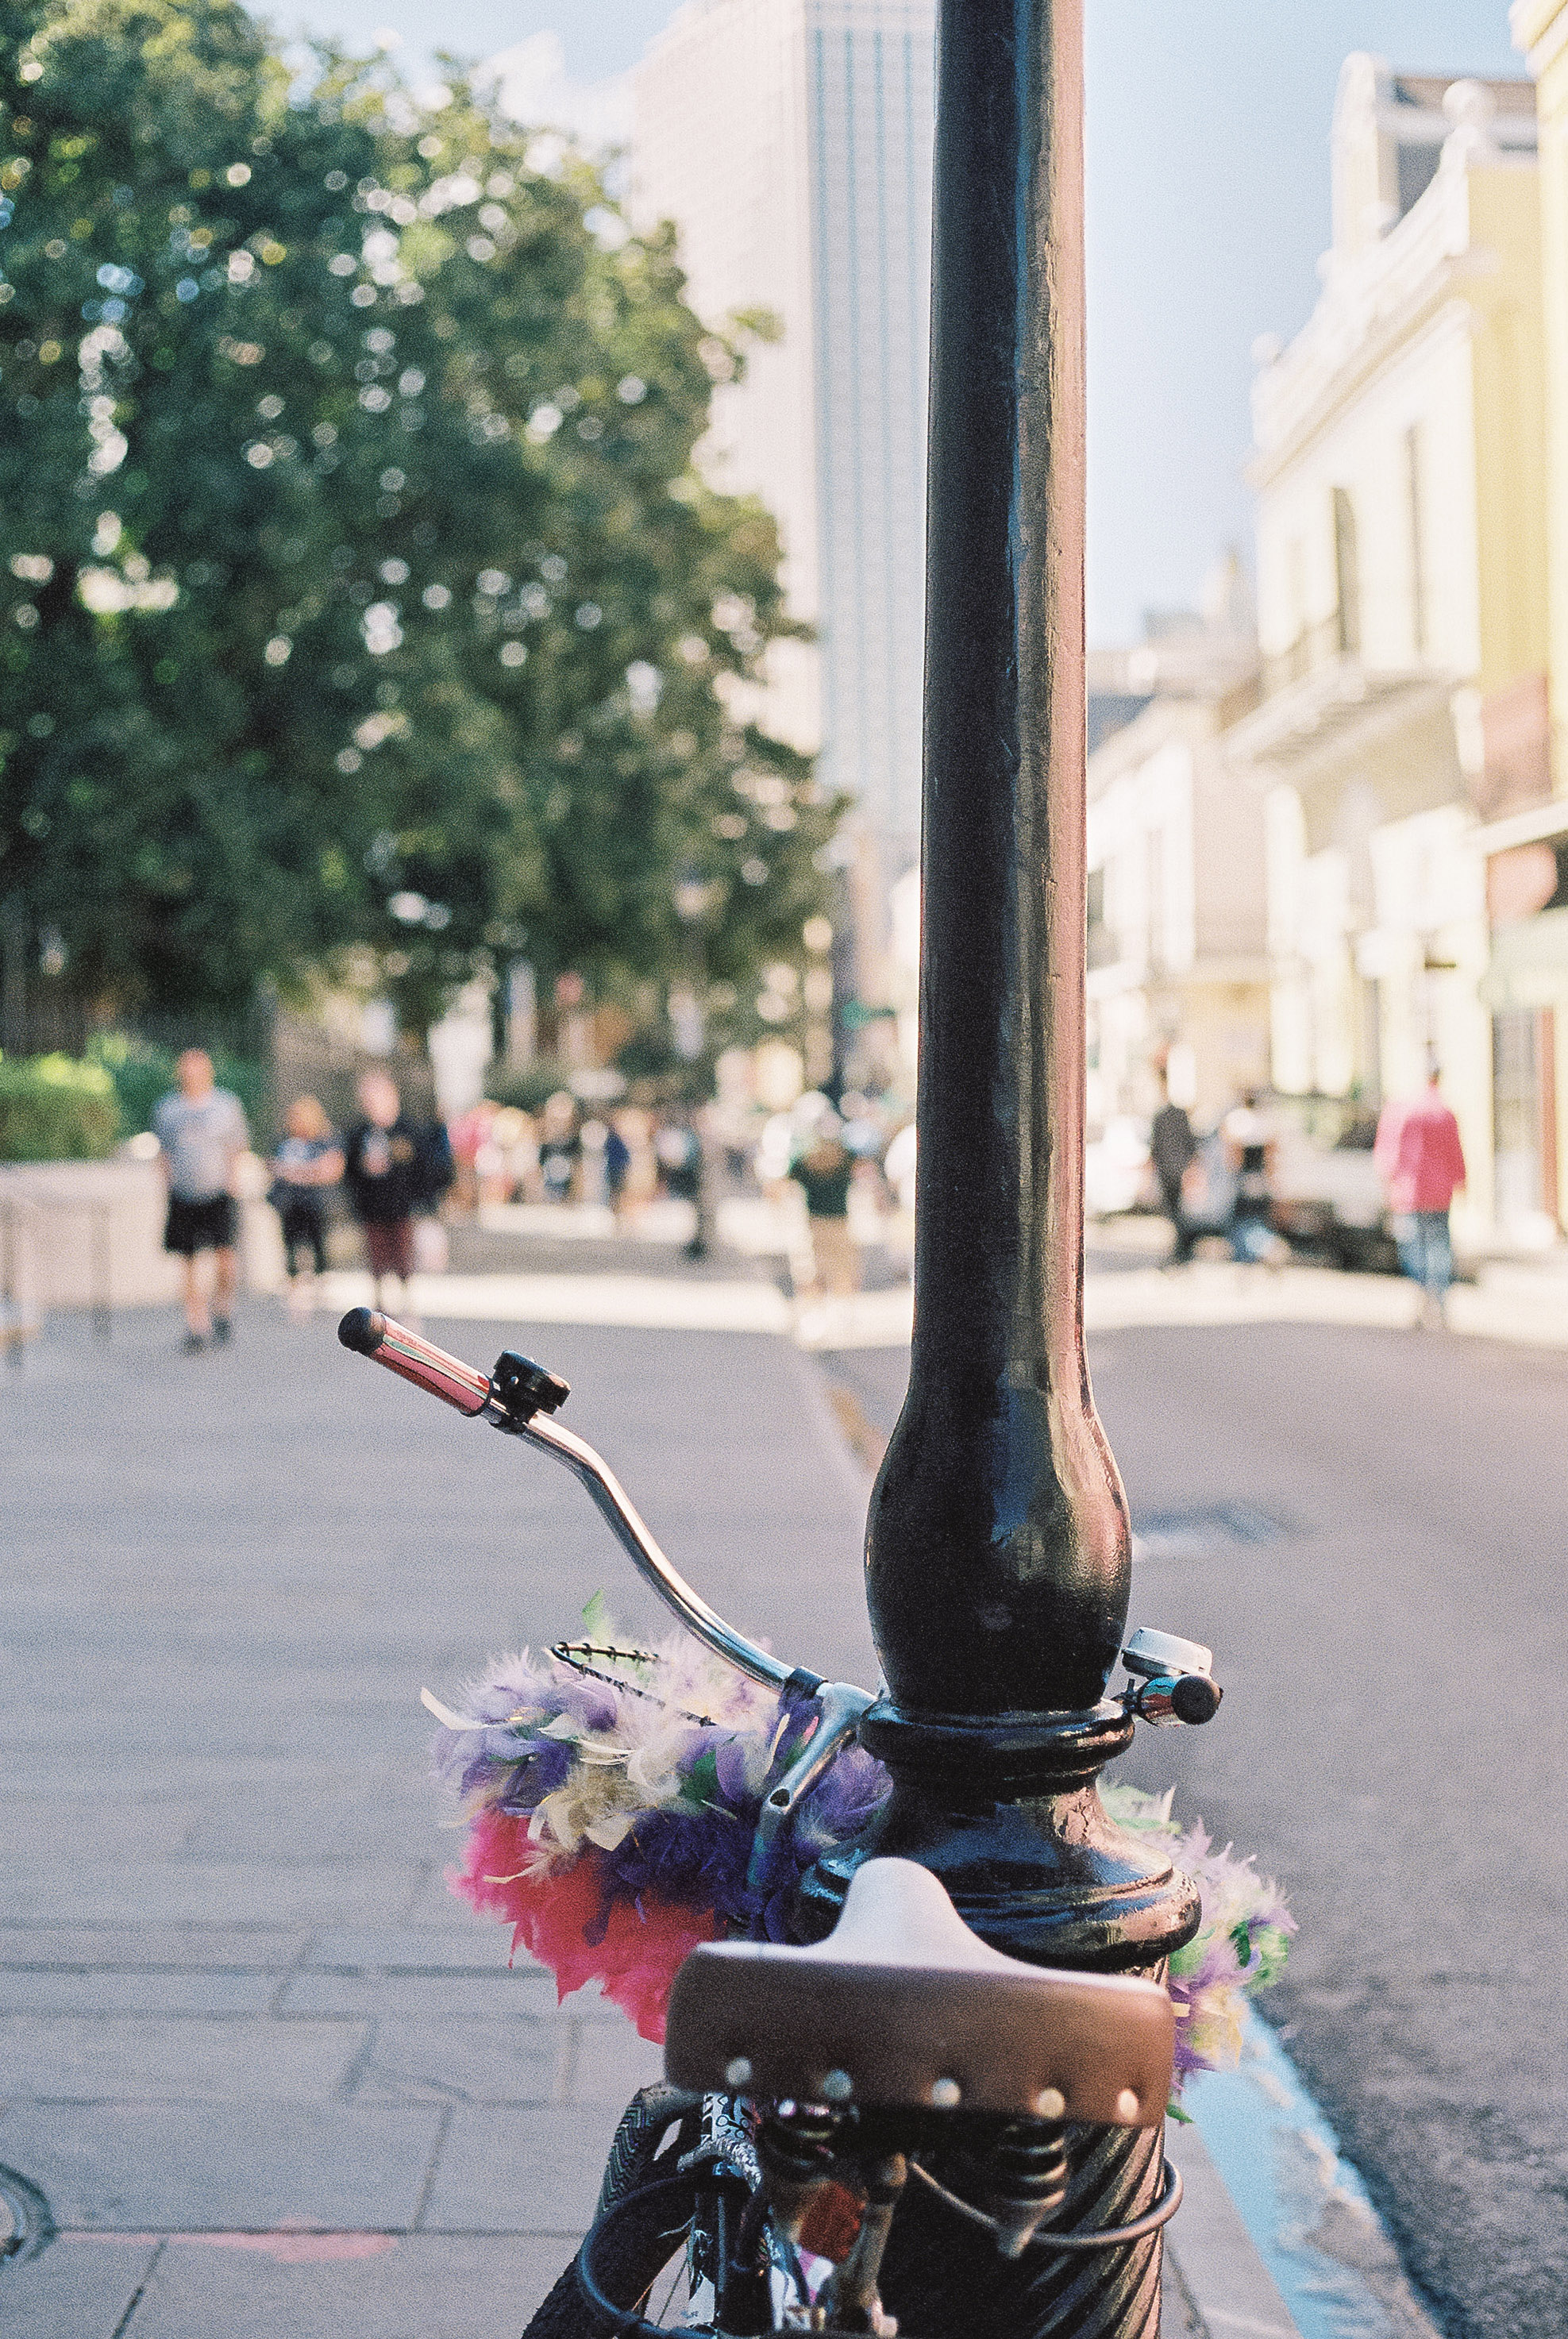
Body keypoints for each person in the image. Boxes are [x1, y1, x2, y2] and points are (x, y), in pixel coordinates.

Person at [153, 1049, 248, 1353]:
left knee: (226, 1262)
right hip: (183, 1194)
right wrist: (167, 1186)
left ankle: (222, 1306)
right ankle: (197, 1323)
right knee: (189, 1262)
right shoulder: (168, 1109)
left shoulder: (226, 1105)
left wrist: (232, 1181)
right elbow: (164, 1152)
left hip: (218, 1193)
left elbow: (236, 1146)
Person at [1374, 1066, 1467, 1327]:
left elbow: (1388, 1152)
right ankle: (1438, 1296)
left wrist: (1387, 1185)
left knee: (1413, 1246)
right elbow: (1455, 1151)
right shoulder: (1445, 1112)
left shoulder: (1401, 1109)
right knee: (1439, 1245)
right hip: (1439, 1191)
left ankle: (1424, 1293)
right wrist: (1461, 1180)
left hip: (1410, 1191)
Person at [343, 1072, 426, 1315]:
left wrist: (418, 1197)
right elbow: (350, 1168)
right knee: (376, 1253)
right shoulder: (359, 1132)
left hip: (400, 1203)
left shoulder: (408, 1129)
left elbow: (420, 1166)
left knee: (402, 1251)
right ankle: (379, 1298)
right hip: (371, 1202)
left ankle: (405, 1296)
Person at [268, 1096, 344, 1320]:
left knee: (318, 1244)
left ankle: (319, 1285)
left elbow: (329, 1170)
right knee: (291, 1246)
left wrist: (295, 1172)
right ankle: (293, 1291)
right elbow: (274, 1168)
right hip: (289, 1203)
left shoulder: (325, 1141)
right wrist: (306, 1172)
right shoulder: (283, 1142)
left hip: (314, 1203)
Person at [791, 1113, 857, 1297]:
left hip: (819, 1222)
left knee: (816, 1269)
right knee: (836, 1269)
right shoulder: (846, 1158)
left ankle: (820, 1310)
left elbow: (783, 1186)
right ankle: (835, 1309)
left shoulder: (805, 1161)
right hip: (834, 1222)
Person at [1220, 1089, 1283, 1266]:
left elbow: (1233, 1153)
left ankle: (1252, 1252)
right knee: (1258, 1218)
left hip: (1243, 1178)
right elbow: (1272, 1153)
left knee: (1241, 1219)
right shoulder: (1264, 1121)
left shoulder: (1238, 1120)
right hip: (1260, 1178)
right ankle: (1264, 1247)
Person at [1150, 1068, 1197, 1266]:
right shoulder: (1179, 1115)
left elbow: (1155, 1147)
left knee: (1174, 1212)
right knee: (1177, 1212)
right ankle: (1182, 1249)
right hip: (1177, 1169)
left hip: (1168, 1171)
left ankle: (1181, 1249)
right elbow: (1191, 1144)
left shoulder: (1161, 1117)